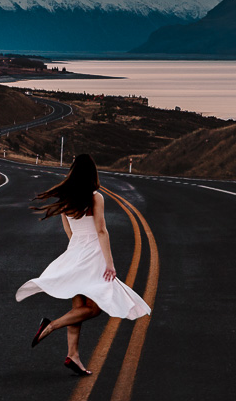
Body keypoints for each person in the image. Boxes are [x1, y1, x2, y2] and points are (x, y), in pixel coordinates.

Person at [15, 154, 151, 376]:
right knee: (94, 309)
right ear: (92, 174)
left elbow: (69, 231)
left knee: (79, 309)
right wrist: (110, 263)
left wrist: (76, 254)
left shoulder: (66, 198)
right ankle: (50, 326)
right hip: (93, 255)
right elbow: (101, 231)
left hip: (76, 252)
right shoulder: (95, 197)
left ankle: (73, 356)